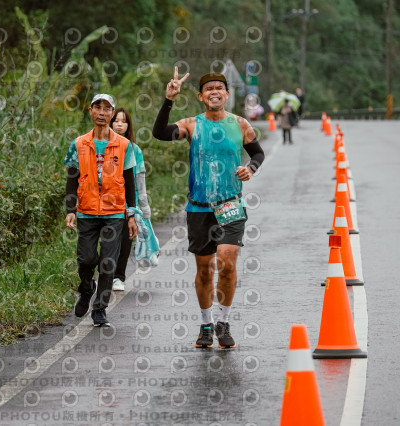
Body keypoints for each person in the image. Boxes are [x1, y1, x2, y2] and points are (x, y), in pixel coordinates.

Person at [152, 68, 265, 349]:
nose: (215, 91)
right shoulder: (192, 124)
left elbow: (258, 153)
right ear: (201, 96)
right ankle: (205, 325)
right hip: (199, 207)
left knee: (227, 262)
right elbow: (160, 133)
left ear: (227, 94)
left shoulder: (240, 124)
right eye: (209, 88)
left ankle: (223, 323)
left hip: (230, 205)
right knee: (204, 270)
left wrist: (250, 168)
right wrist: (168, 100)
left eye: (220, 88)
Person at [64, 94, 138, 326]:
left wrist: (132, 214)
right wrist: (70, 209)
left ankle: (100, 308)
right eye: (98, 107)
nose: (102, 112)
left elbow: (130, 181)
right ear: (90, 111)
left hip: (114, 213)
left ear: (112, 113)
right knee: (86, 259)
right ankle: (87, 288)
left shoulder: (125, 146)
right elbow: (72, 179)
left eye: (107, 108)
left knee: (108, 262)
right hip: (86, 211)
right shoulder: (78, 144)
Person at [109, 108, 152, 291]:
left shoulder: (135, 150)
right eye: (116, 120)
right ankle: (106, 275)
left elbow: (140, 181)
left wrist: (144, 207)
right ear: (110, 123)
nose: (119, 124)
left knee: (126, 240)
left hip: (128, 203)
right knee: (108, 241)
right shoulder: (103, 146)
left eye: (123, 121)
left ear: (128, 125)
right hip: (107, 203)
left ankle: (118, 277)